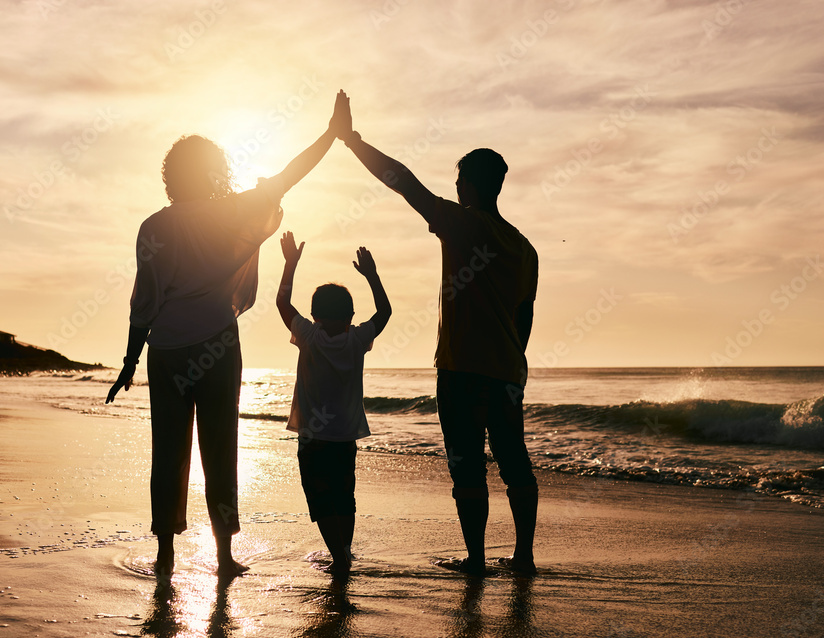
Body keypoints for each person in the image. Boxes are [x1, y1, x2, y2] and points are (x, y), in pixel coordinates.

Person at [106, 92, 351, 579]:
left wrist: (130, 364)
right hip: (218, 345)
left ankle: (165, 556)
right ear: (215, 171)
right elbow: (291, 172)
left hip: (168, 350)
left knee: (168, 452)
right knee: (221, 448)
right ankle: (222, 558)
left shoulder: (153, 226)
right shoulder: (234, 212)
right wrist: (331, 134)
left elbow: (144, 305)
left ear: (171, 176)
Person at [332, 94, 540, 575]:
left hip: (463, 369)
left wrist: (352, 141)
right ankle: (524, 556)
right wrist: (512, 361)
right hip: (508, 373)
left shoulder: (464, 223)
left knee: (467, 467)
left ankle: (477, 559)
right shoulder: (524, 248)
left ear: (471, 185)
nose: (455, 186)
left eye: (459, 180)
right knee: (515, 465)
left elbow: (404, 183)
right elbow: (524, 316)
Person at [276, 231, 391, 574]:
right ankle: (344, 553)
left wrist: (289, 265)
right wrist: (372, 276)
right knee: (344, 497)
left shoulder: (309, 337)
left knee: (320, 499)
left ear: (314, 316)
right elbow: (384, 311)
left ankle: (340, 559)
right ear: (351, 315)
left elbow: (282, 302)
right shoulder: (357, 339)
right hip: (344, 437)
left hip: (312, 437)